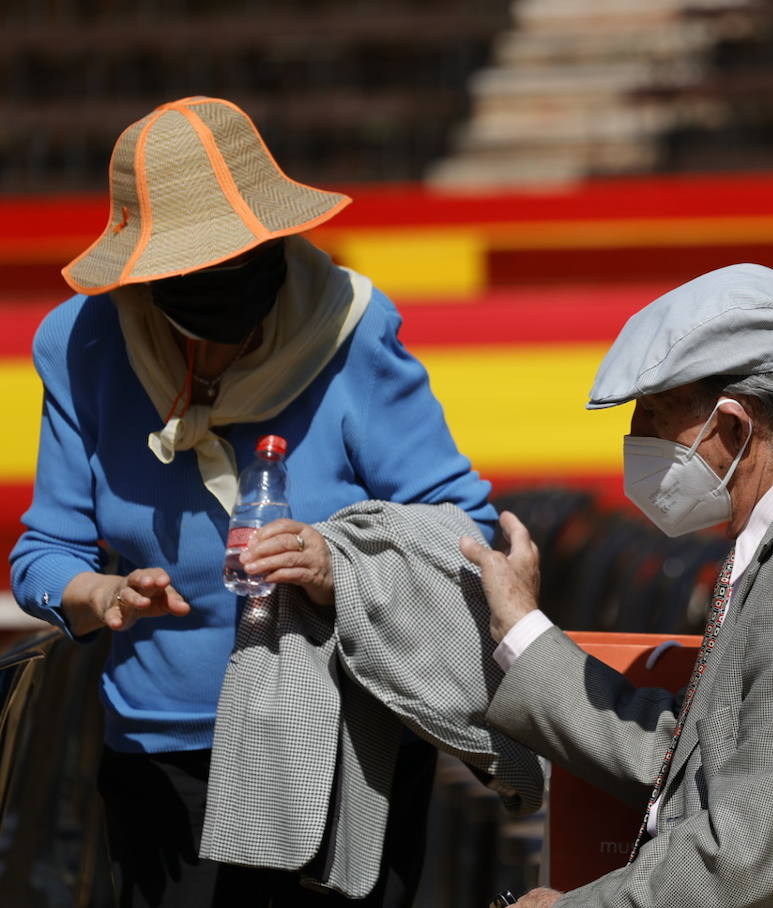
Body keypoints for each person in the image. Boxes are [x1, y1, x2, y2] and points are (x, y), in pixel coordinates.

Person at [8, 96, 498, 907]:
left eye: (243, 267)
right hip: (163, 765)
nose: (225, 303)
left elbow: (464, 531)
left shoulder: (352, 324)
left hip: (341, 746)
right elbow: (44, 553)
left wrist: (335, 563)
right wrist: (102, 595)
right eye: (192, 283)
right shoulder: (83, 344)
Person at [460, 263, 773, 908]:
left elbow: (740, 862)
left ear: (735, 427)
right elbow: (695, 755)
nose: (633, 441)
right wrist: (523, 628)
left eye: (652, 417)